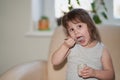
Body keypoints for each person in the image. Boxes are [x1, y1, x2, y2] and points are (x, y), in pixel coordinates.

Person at [51, 8, 115, 80]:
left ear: (90, 26)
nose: (76, 32)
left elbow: (110, 75)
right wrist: (65, 46)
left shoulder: (101, 49)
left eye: (79, 26)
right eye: (72, 29)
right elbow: (55, 61)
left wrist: (95, 73)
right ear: (68, 33)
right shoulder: (71, 47)